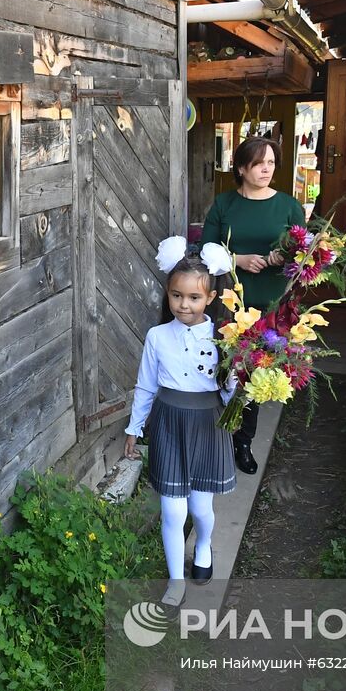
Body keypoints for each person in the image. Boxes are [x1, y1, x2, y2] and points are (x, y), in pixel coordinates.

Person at [124, 237, 235, 608]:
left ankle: (203, 544)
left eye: (193, 298)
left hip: (208, 423)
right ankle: (175, 580)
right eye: (176, 296)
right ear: (167, 295)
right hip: (169, 422)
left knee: (201, 508)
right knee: (173, 509)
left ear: (211, 299)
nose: (184, 305)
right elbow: (145, 384)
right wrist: (134, 427)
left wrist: (238, 379)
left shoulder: (226, 338)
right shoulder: (157, 336)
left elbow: (228, 395)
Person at [201, 136, 305, 476]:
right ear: (242, 167)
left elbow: (304, 254)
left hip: (272, 303)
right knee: (223, 367)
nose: (266, 169)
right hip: (231, 300)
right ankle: (212, 435)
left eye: (272, 163)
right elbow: (205, 251)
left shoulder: (289, 206)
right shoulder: (224, 204)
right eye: (260, 163)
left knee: (256, 371)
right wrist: (239, 258)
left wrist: (283, 256)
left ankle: (243, 441)